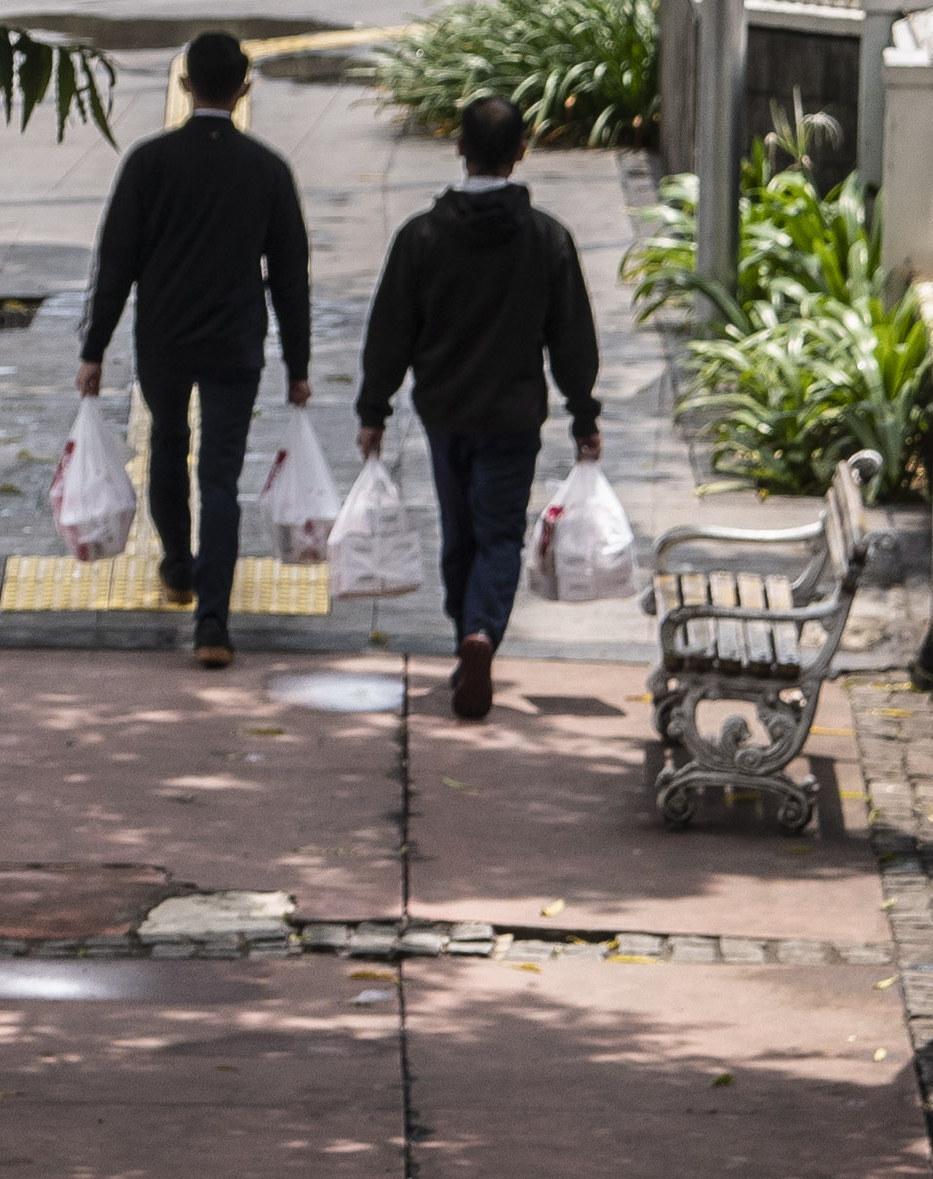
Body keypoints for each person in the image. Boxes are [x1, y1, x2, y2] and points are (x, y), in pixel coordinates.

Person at [354, 91, 605, 722]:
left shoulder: (422, 237)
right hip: (514, 415)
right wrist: (583, 413)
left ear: (459, 148)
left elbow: (391, 331)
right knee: (499, 534)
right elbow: (572, 336)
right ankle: (483, 633)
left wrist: (373, 410)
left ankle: (464, 635)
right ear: (521, 153)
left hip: (445, 412)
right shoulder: (548, 239)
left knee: (459, 531)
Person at [76, 31, 314, 672]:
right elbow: (290, 274)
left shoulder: (148, 163)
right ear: (243, 88)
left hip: (165, 338)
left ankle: (177, 568)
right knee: (220, 478)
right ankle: (213, 622)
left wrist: (93, 347)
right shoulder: (267, 170)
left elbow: (116, 262)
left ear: (184, 87)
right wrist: (299, 364)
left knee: (166, 447)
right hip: (236, 341)